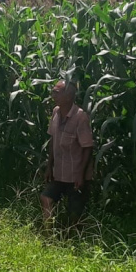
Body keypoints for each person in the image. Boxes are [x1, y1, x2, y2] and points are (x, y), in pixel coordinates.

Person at [41, 79, 94, 231]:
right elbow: (53, 140)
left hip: (75, 175)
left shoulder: (80, 117)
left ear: (69, 96)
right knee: (46, 198)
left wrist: (81, 174)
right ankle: (48, 235)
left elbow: (87, 147)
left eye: (56, 93)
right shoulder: (56, 112)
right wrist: (49, 166)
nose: (53, 96)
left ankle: (73, 239)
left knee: (74, 215)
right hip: (59, 173)